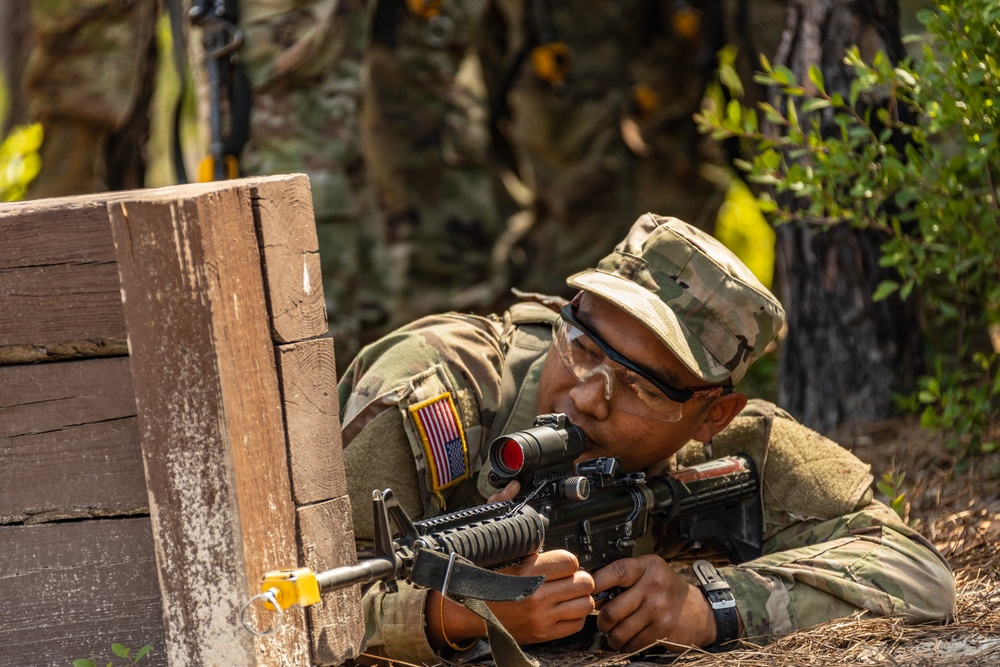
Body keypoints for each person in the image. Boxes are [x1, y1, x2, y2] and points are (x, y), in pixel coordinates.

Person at [338, 213, 955, 663]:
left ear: (712, 414)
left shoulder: (735, 444)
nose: (588, 395)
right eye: (581, 346)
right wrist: (455, 615)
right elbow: (300, 605)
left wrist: (711, 608)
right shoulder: (427, 398)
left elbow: (917, 570)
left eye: (643, 388)